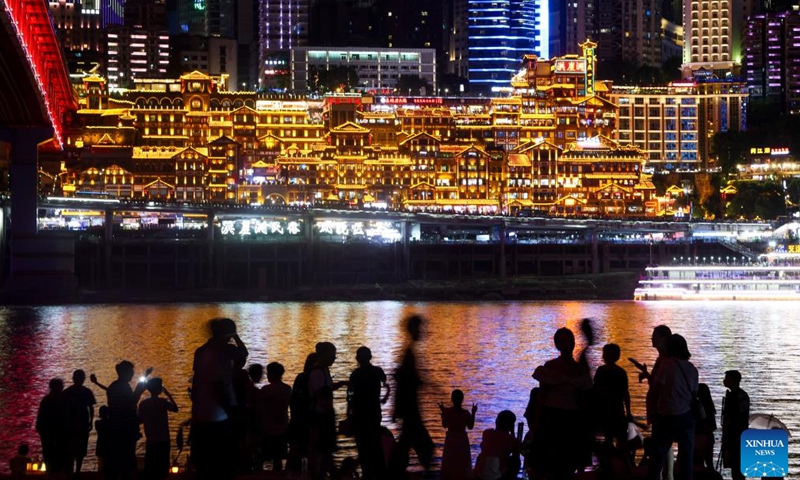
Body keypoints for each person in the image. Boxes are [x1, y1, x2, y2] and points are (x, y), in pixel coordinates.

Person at [190, 317, 248, 480]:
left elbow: (197, 380)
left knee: (205, 462)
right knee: (224, 460)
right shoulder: (226, 350)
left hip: (201, 412)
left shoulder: (201, 351)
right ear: (228, 333)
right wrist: (231, 411)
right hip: (220, 414)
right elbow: (243, 354)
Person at [532, 327, 593, 480]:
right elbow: (542, 396)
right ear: (557, 345)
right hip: (552, 418)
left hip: (573, 419)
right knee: (550, 463)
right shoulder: (550, 367)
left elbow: (584, 400)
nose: (566, 345)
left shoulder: (580, 369)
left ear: (573, 343)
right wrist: (537, 423)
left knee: (568, 465)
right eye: (562, 342)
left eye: (569, 341)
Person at [647, 334, 698, 480]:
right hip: (686, 415)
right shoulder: (691, 368)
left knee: (658, 455)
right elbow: (694, 392)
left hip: (666, 415)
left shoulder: (666, 365)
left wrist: (652, 411)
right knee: (687, 456)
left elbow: (656, 389)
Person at [389, 315, 435, 478]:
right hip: (410, 409)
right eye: (420, 328)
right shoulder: (409, 354)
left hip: (409, 409)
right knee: (423, 445)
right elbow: (403, 382)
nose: (423, 332)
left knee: (408, 443)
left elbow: (402, 380)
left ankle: (395, 472)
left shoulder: (409, 353)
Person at [631, 324, 675, 480]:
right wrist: (646, 374)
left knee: (661, 446)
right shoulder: (663, 359)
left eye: (655, 336)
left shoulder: (665, 360)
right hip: (660, 409)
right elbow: (658, 383)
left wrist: (647, 376)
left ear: (663, 339)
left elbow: (659, 386)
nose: (652, 338)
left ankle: (664, 476)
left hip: (661, 410)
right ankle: (668, 475)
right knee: (666, 446)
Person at [348, 346, 390, 480]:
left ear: (357, 358)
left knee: (362, 445)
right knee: (376, 444)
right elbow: (386, 384)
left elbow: (350, 393)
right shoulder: (377, 371)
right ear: (370, 357)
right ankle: (380, 473)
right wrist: (385, 396)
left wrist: (349, 410)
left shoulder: (355, 374)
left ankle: (367, 473)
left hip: (359, 413)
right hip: (373, 412)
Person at [105, 361, 152, 480]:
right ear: (125, 372)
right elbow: (130, 403)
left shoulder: (113, 386)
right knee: (127, 458)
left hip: (115, 427)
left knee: (117, 458)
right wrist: (140, 391)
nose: (133, 374)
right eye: (131, 372)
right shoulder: (123, 387)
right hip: (125, 428)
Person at [593, 344, 633, 455]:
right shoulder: (620, 372)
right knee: (614, 438)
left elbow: (625, 392)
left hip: (613, 411)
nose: (604, 356)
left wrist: (628, 411)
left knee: (615, 438)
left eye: (606, 354)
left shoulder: (602, 371)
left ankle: (615, 462)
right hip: (611, 410)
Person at [138, 378, 179, 480]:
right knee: (163, 468)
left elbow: (140, 420)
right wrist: (168, 395)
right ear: (159, 389)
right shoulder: (163, 402)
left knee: (151, 469)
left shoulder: (143, 404)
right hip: (163, 440)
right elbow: (175, 409)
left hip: (151, 440)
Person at [287, 352, 317, 472]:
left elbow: (293, 399)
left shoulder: (300, 377)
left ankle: (290, 472)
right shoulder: (311, 378)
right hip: (307, 417)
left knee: (295, 449)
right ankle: (308, 472)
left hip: (298, 417)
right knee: (310, 448)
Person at [260, 362, 292, 472]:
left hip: (268, 427)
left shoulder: (265, 390)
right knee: (278, 458)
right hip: (282, 427)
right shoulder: (287, 389)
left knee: (263, 457)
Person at [64, 369, 97, 477]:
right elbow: (91, 407)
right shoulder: (85, 392)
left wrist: (90, 421)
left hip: (77, 424)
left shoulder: (68, 392)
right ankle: (75, 471)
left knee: (77, 449)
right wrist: (90, 421)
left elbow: (91, 407)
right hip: (75, 424)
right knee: (78, 449)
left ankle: (74, 471)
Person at [36, 378, 71, 476]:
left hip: (48, 431)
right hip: (60, 431)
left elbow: (41, 416)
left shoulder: (46, 400)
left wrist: (40, 428)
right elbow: (68, 415)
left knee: (48, 453)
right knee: (61, 453)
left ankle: (51, 472)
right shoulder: (64, 400)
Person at [439, 389, 476, 480]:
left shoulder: (447, 412)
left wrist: (443, 412)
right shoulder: (466, 413)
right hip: (462, 439)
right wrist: (474, 413)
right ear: (462, 399)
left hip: (450, 439)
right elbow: (470, 426)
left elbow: (444, 425)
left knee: (450, 460)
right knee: (462, 461)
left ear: (452, 399)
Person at [473, 410, 520, 480]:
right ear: (511, 425)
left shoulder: (487, 433)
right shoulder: (511, 439)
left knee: (481, 456)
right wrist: (512, 432)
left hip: (479, 474)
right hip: (498, 476)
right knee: (516, 460)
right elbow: (516, 451)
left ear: (497, 422)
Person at [721, 370, 749, 480]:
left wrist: (726, 436)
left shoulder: (734, 396)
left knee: (735, 465)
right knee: (738, 466)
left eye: (727, 378)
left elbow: (731, 417)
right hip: (740, 434)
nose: (724, 380)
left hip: (734, 435)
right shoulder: (742, 394)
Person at [694, 383, 716, 471]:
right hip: (709, 437)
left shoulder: (698, 406)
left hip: (699, 436)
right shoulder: (710, 407)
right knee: (709, 462)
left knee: (698, 463)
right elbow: (713, 426)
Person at [95, 406, 110, 474]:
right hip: (107, 444)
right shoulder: (109, 423)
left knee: (101, 461)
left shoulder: (97, 423)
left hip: (100, 443)